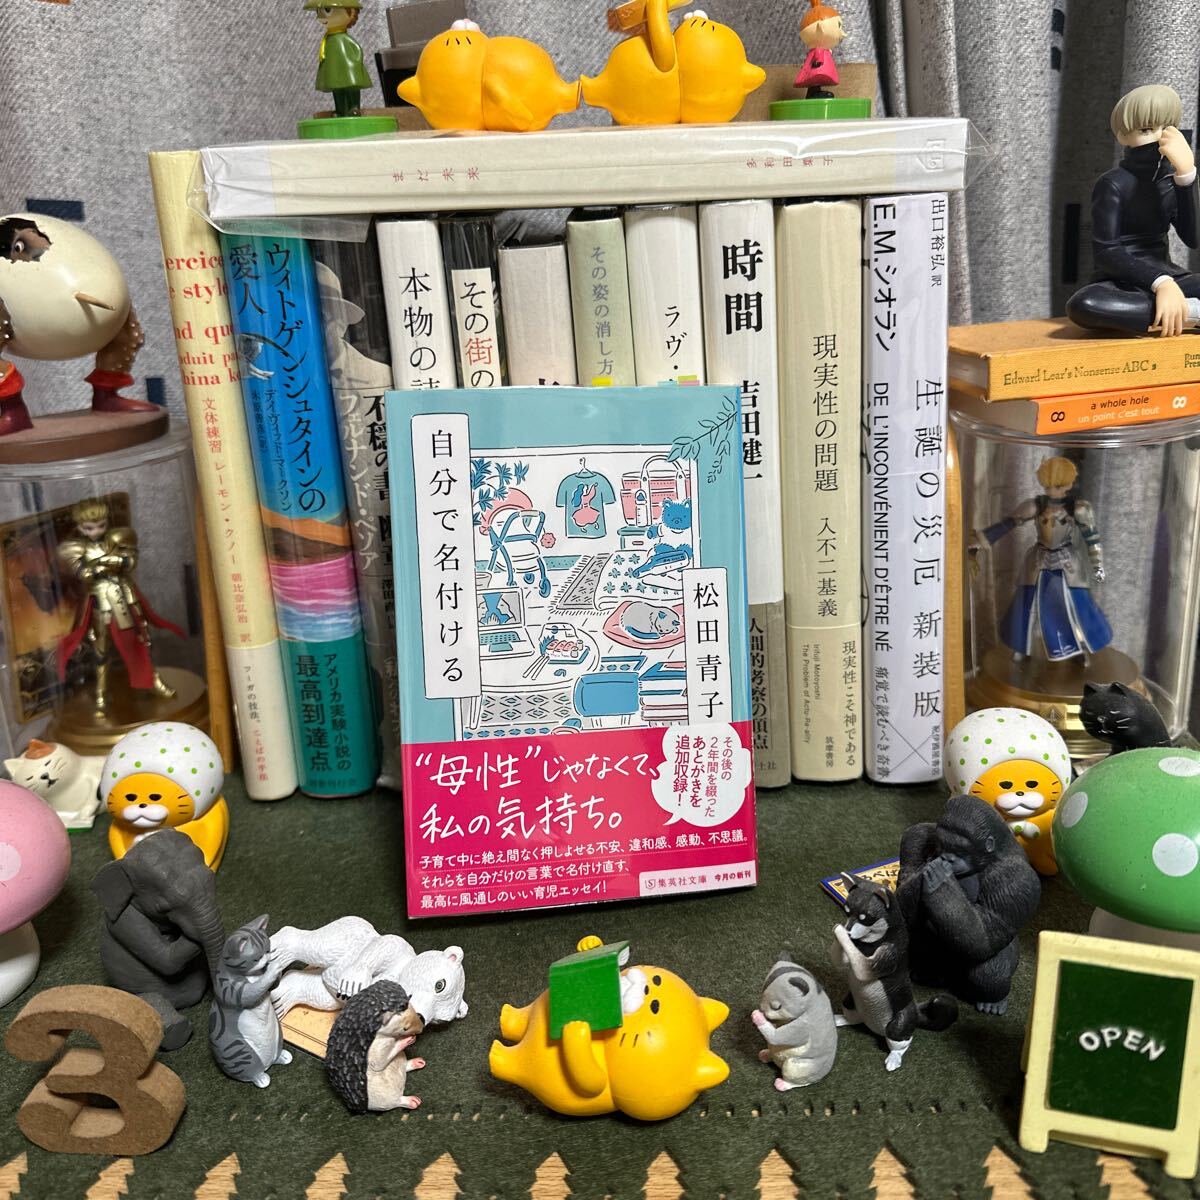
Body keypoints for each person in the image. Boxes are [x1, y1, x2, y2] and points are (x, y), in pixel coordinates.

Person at [1067, 84, 1200, 337]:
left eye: (1166, 128)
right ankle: (1191, 312)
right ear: (1122, 136)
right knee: (1084, 305)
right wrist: (1160, 282)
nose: (1158, 137)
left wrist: (1187, 176)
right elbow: (1106, 251)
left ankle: (1168, 311)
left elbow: (1193, 239)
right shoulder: (1112, 184)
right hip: (1122, 280)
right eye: (1147, 129)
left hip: (1170, 275)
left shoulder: (1169, 182)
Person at [974, 457, 1112, 663]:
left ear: (1067, 485)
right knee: (1026, 605)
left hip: (1067, 565)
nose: (1051, 491)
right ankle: (1022, 645)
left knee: (1076, 607)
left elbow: (1092, 539)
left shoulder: (1078, 509)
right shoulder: (1035, 506)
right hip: (1039, 562)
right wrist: (983, 539)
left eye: (1056, 486)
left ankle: (1078, 648)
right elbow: (1008, 524)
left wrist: (1098, 566)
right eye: (1047, 486)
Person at [306, 0, 372, 119]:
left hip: (349, 69)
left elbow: (357, 50)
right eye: (318, 12)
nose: (320, 17)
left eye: (327, 10)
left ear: (351, 13)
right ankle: (340, 110)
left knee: (352, 88)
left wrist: (355, 64)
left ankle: (354, 107)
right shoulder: (328, 40)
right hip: (334, 71)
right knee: (337, 91)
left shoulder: (341, 38)